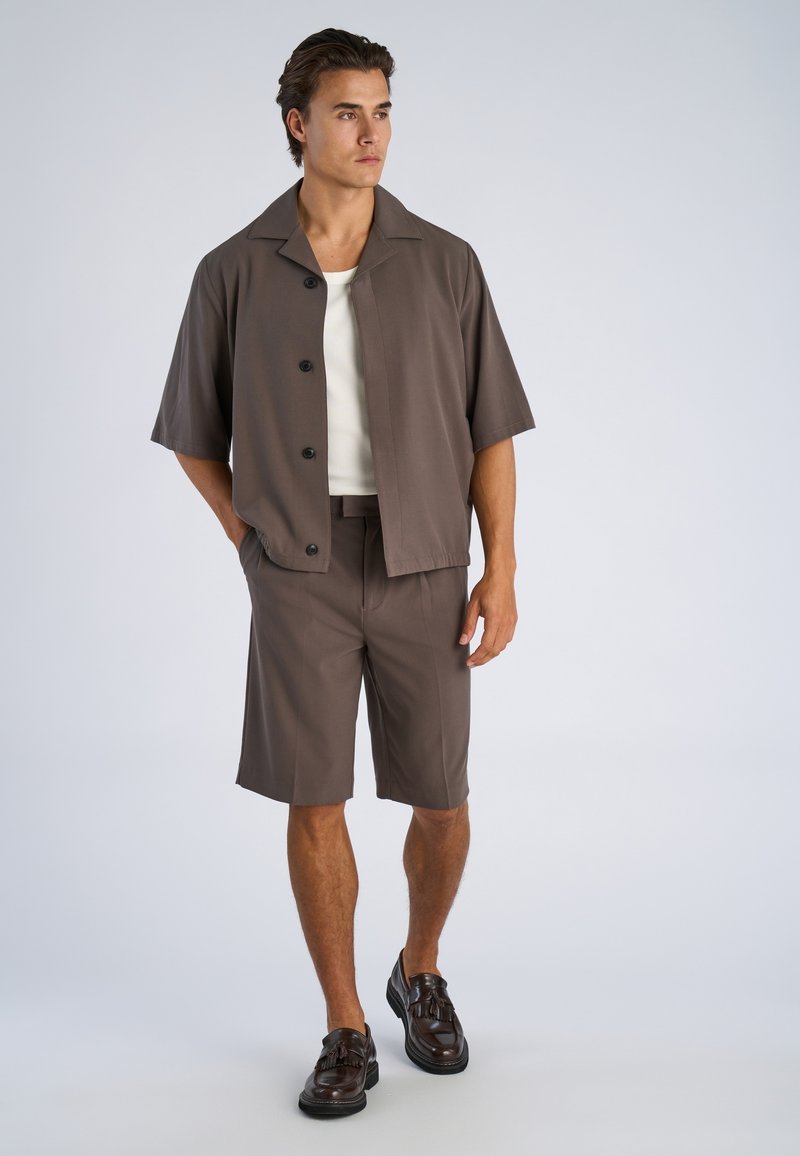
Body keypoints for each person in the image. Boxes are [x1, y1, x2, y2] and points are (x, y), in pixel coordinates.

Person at [150, 28, 535, 1118]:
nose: (372, 134)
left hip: (425, 559)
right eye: (347, 113)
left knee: (442, 796)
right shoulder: (232, 270)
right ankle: (345, 1023)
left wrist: (501, 567)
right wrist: (253, 540)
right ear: (297, 124)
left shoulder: (446, 262)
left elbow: (492, 428)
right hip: (299, 570)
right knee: (314, 797)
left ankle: (418, 968)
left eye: (382, 111)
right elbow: (192, 435)